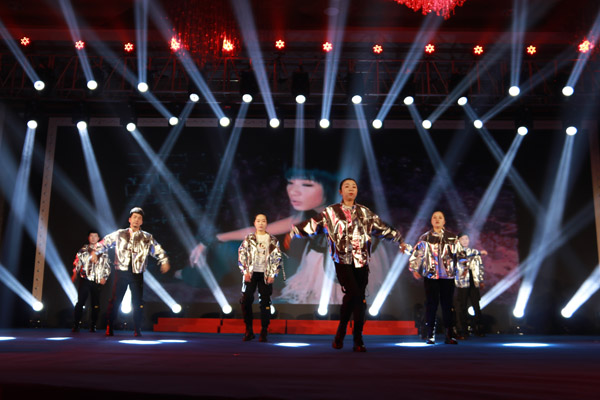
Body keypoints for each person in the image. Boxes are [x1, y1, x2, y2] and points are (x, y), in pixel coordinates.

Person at [289, 178, 405, 352]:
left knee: (353, 299)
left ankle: (343, 333)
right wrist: (296, 231)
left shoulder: (365, 212)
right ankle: (357, 339)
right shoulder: (331, 212)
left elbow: (381, 228)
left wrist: (399, 240)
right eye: (347, 186)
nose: (351, 189)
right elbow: (314, 224)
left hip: (361, 261)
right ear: (340, 191)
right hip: (342, 261)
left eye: (354, 186)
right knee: (356, 295)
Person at [91, 207, 170, 337]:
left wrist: (164, 260)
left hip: (137, 273)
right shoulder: (120, 234)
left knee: (137, 302)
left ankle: (137, 328)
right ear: (130, 219)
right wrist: (95, 252)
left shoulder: (147, 237)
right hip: (122, 272)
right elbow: (105, 242)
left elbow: (157, 250)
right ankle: (110, 325)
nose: (136, 220)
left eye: (139, 218)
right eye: (134, 217)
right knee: (116, 300)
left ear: (142, 221)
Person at [409, 210, 465, 345]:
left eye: (440, 217)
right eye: (435, 217)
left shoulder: (452, 238)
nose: (437, 219)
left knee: (448, 305)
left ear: (444, 221)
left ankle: (449, 334)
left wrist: (463, 268)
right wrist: (414, 269)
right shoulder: (425, 237)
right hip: (431, 276)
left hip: (447, 276)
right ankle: (430, 335)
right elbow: (417, 254)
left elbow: (460, 254)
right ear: (431, 221)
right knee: (431, 305)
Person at [238, 214, 282, 342]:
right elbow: (242, 254)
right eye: (258, 221)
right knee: (246, 300)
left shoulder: (273, 240)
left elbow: (277, 258)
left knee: (265, 302)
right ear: (254, 223)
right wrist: (245, 271)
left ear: (267, 223)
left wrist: (272, 274)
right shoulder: (249, 238)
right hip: (251, 274)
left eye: (263, 221)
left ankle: (264, 330)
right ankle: (249, 330)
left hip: (265, 274)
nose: (261, 223)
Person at [71, 230, 111, 332]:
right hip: (85, 279)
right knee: (80, 302)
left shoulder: (103, 250)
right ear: (88, 238)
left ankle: (93, 325)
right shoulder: (83, 250)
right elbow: (77, 262)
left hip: (97, 280)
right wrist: (75, 273)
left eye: (95, 236)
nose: (93, 238)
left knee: (95, 303)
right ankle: (76, 324)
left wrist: (105, 277)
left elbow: (107, 264)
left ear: (98, 238)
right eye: (91, 236)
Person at [454, 232, 487, 339]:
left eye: (466, 239)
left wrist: (481, 280)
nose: (465, 241)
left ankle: (478, 329)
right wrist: (479, 253)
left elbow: (480, 267)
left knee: (476, 306)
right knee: (462, 307)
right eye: (462, 239)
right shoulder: (456, 252)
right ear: (458, 241)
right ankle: (463, 331)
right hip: (462, 283)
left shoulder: (474, 252)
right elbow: (460, 260)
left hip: (474, 282)